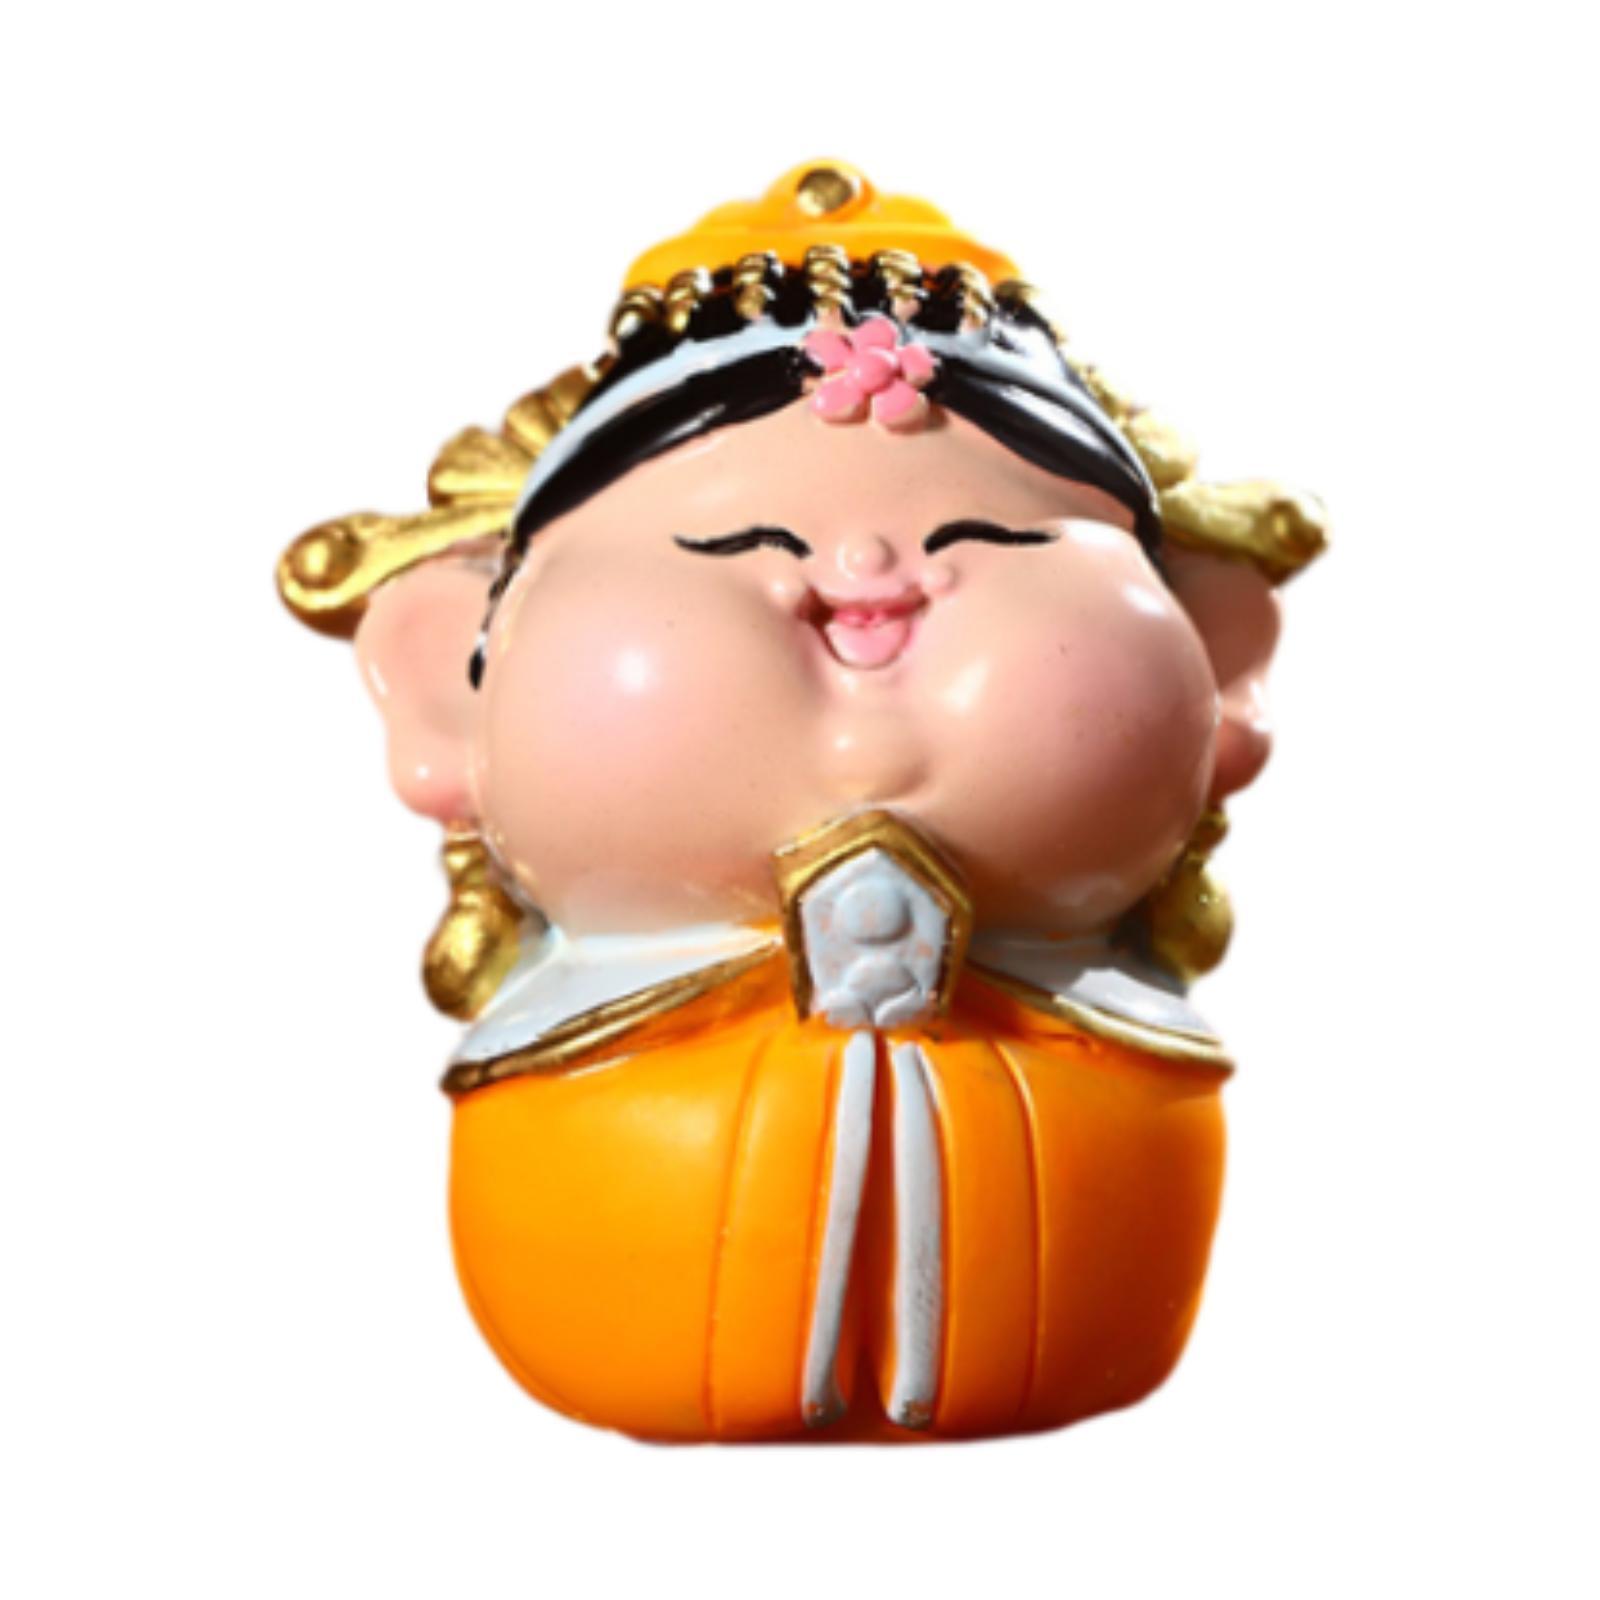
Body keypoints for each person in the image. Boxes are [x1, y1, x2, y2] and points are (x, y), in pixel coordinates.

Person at [278, 161, 1325, 1442]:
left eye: (990, 540)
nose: (865, 573)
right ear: (457, 685)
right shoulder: (576, 1016)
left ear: (1218, 674)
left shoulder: (1119, 1027)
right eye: (729, 546)